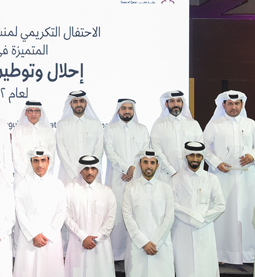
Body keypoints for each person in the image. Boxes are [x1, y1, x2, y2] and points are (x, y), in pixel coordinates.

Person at [202, 90, 255, 265]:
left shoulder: (250, 123)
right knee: (223, 214)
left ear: (242, 105)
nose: (233, 107)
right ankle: (221, 255)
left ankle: (247, 254)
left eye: (237, 103)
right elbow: (204, 148)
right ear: (223, 105)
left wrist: (252, 155)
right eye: (230, 104)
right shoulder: (214, 125)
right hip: (222, 176)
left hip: (245, 178)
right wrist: (216, 162)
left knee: (245, 213)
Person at [170, 142, 227, 277]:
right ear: (186, 157)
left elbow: (220, 205)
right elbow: (173, 206)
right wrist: (192, 218)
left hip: (205, 234)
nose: (195, 160)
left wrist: (202, 220)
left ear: (202, 158)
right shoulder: (175, 179)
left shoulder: (211, 179)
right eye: (191, 156)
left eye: (198, 156)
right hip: (182, 234)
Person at [122, 149, 176, 277]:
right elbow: (127, 216)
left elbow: (169, 217)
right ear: (140, 165)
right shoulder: (131, 187)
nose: (148, 166)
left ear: (157, 166)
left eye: (152, 163)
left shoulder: (166, 188)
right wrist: (144, 242)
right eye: (145, 162)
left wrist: (155, 241)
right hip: (138, 246)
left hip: (161, 246)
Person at [13, 148, 68, 277]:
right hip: (29, 241)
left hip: (50, 242)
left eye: (43, 160)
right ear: (31, 163)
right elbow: (20, 212)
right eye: (35, 161)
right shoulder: (22, 184)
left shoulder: (58, 184)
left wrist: (48, 234)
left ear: (49, 161)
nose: (40, 165)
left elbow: (61, 211)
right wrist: (33, 234)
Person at [64, 155, 121, 277]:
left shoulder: (107, 191)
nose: (90, 172)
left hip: (100, 246)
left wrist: (96, 238)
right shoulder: (70, 189)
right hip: (77, 244)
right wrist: (82, 237)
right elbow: (66, 217)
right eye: (86, 169)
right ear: (81, 169)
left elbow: (110, 220)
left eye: (93, 169)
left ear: (98, 170)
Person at [104, 98, 150, 261]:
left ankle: (134, 252)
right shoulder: (110, 129)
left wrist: (134, 169)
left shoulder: (142, 129)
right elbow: (109, 152)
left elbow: (146, 153)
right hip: (117, 178)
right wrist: (126, 168)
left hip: (137, 178)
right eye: (123, 108)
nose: (127, 111)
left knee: (136, 213)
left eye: (130, 108)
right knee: (116, 215)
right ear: (118, 111)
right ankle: (116, 254)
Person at [150, 90, 203, 178]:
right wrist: (172, 171)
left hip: (190, 174)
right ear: (166, 104)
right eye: (172, 101)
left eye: (178, 101)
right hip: (166, 175)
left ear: (182, 103)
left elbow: (199, 150)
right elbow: (157, 151)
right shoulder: (158, 126)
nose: (176, 104)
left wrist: (189, 170)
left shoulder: (193, 124)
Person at [56, 90, 104, 184]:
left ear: (86, 103)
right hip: (68, 175)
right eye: (75, 101)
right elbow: (61, 151)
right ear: (70, 104)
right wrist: (72, 172)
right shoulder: (62, 125)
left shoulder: (96, 124)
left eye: (81, 101)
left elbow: (98, 150)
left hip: (91, 174)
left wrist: (89, 170)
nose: (78, 104)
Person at [11, 101, 56, 183]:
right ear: (26, 113)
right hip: (22, 177)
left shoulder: (48, 131)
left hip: (42, 177)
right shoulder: (18, 130)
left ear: (41, 113)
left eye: (36, 111)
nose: (33, 114)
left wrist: (41, 174)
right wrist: (25, 175)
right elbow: (16, 155)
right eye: (30, 111)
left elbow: (51, 156)